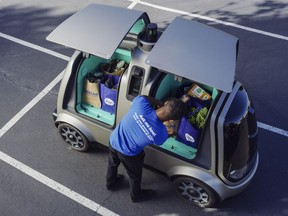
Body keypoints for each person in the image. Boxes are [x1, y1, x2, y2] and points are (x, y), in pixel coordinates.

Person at [106, 95, 187, 202]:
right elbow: (159, 141)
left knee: (112, 164)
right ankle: (136, 196)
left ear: (166, 103)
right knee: (135, 176)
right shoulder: (161, 133)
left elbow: (143, 97)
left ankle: (110, 184)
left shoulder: (141, 105)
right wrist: (171, 134)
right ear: (171, 120)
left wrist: (158, 101)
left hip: (114, 140)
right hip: (129, 154)